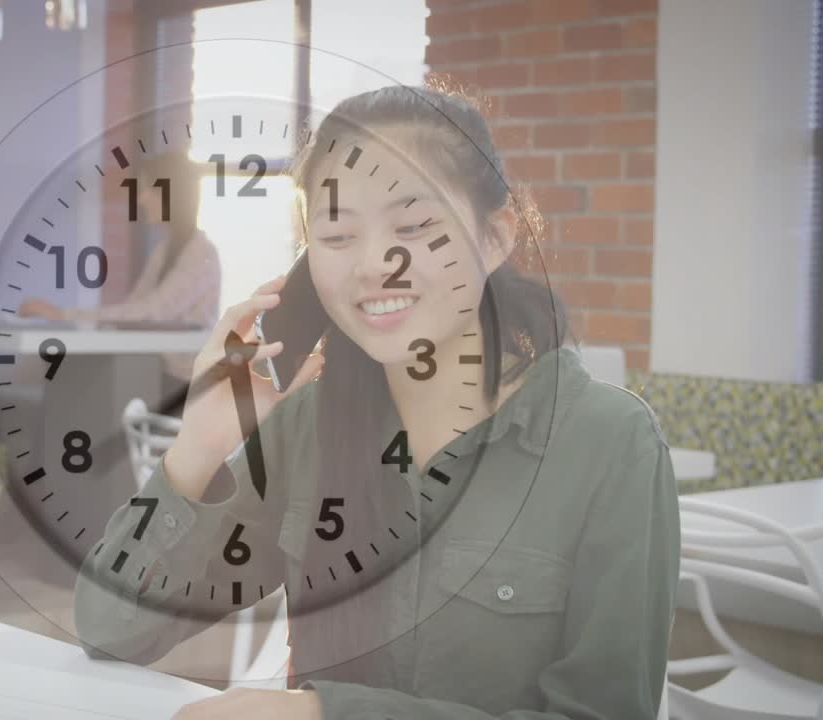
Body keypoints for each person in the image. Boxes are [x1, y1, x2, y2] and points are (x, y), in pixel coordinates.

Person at [73, 82, 680, 720]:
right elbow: (111, 628)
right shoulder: (307, 425)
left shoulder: (610, 445)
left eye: (415, 226)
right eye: (336, 236)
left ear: (496, 236)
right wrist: (197, 447)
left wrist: (322, 714)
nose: (373, 266)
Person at [17, 152, 220, 416]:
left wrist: (62, 314)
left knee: (76, 374)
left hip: (179, 382)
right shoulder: (165, 250)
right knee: (69, 368)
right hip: (151, 369)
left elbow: (150, 313)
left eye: (148, 189)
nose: (141, 198)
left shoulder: (200, 254)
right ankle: (53, 454)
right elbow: (133, 311)